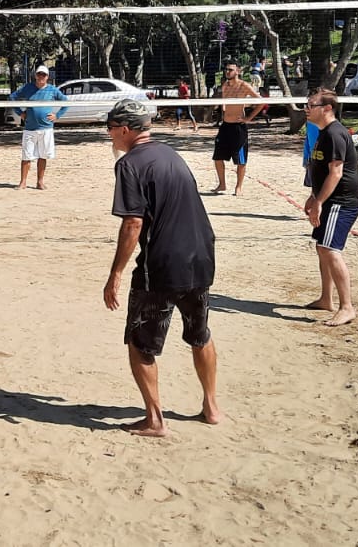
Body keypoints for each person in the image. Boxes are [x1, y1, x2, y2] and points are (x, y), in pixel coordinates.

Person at [101, 98, 222, 437]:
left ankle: (155, 420)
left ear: (125, 129)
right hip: (201, 256)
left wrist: (115, 274)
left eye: (110, 128)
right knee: (200, 334)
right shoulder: (171, 153)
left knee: (140, 344)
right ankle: (211, 407)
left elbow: (133, 224)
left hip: (163, 264)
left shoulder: (130, 164)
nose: (109, 135)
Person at [303, 88, 358, 328]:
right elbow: (320, 170)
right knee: (321, 248)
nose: (306, 109)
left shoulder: (335, 133)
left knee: (329, 248)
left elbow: (336, 173)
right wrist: (313, 195)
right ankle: (326, 299)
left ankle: (347, 307)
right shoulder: (323, 132)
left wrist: (319, 202)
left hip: (341, 202)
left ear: (326, 108)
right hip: (328, 199)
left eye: (311, 105)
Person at [10, 64, 67, 189]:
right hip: (30, 128)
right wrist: (20, 113)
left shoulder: (52, 90)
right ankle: (23, 182)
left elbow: (66, 102)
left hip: (46, 128)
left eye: (44, 74)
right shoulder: (28, 88)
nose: (41, 76)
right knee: (26, 156)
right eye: (39, 74)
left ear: (47, 77)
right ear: (35, 76)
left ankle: (40, 182)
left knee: (43, 155)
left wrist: (57, 115)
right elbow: (12, 97)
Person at [212, 62, 262, 195]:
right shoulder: (225, 86)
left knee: (241, 160)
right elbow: (224, 104)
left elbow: (261, 101)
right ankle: (222, 185)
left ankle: (238, 187)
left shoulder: (244, 85)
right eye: (226, 69)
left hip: (238, 127)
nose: (227, 72)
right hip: (225, 126)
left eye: (230, 70)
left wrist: (249, 118)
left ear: (238, 71)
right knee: (217, 157)